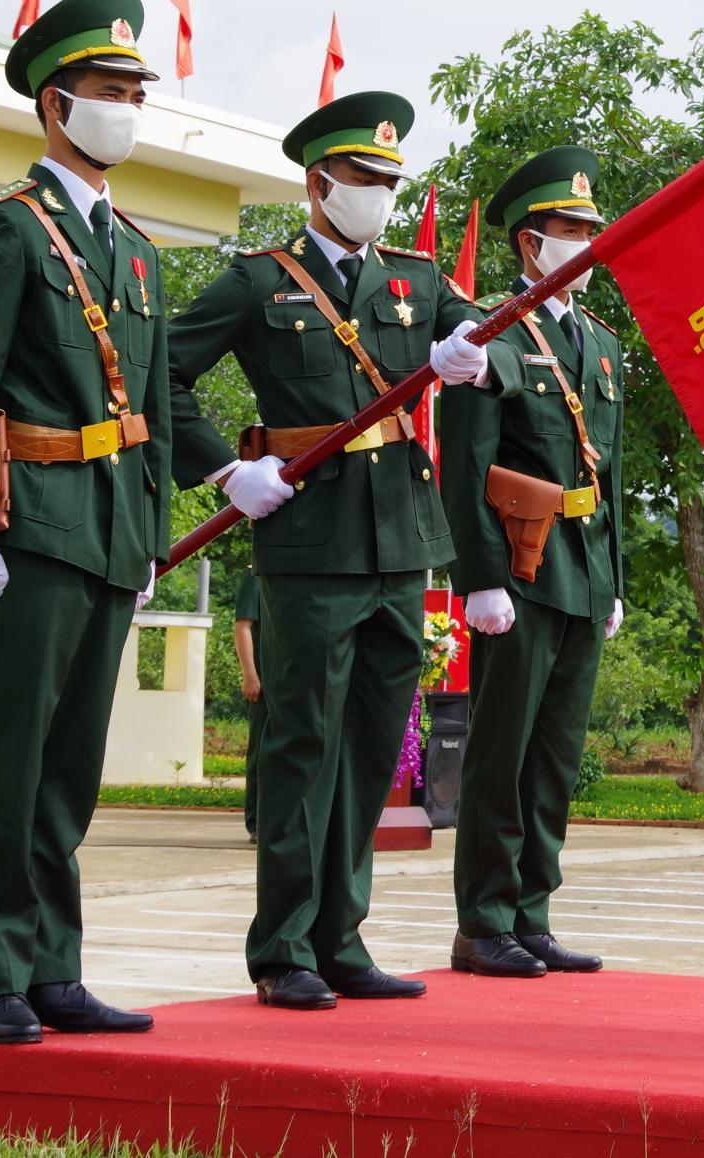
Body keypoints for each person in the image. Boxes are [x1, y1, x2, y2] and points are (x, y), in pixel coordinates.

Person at [166, 92, 491, 1009]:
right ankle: (284, 951)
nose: (382, 195)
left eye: (393, 181)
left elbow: (483, 333)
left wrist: (474, 353)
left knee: (373, 749)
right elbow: (166, 374)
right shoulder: (257, 281)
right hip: (307, 541)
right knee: (303, 746)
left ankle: (341, 937)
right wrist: (228, 475)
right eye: (366, 179)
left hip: (400, 542)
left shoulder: (416, 278)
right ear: (320, 182)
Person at [0, 0, 168, 1044]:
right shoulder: (7, 232)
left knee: (68, 768)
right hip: (31, 526)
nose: (125, 109)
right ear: (54, 108)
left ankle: (53, 967)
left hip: (108, 531)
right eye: (107, 92)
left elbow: (149, 408)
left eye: (134, 92)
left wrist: (150, 534)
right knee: (7, 760)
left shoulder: (140, 250)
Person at [439, 147, 625, 977]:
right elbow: (468, 462)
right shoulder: (494, 334)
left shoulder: (602, 343)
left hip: (583, 570)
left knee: (554, 757)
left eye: (591, 229)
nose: (584, 242)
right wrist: (478, 577)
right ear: (528, 243)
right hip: (520, 569)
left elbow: (607, 474)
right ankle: (483, 922)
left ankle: (532, 913)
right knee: (502, 752)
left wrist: (613, 578)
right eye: (568, 230)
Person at [234, 566, 266, 845]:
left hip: (290, 678)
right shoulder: (254, 574)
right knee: (261, 753)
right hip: (265, 681)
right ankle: (257, 822)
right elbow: (243, 625)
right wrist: (250, 674)